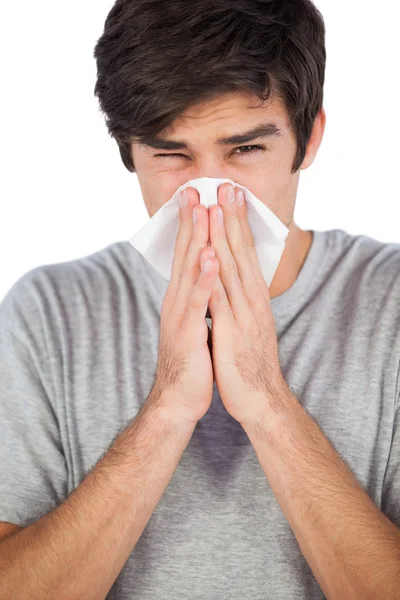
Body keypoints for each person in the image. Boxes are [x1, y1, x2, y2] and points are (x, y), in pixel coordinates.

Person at [1, 0, 399, 598]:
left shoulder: (389, 304)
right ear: (127, 152)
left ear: (309, 137)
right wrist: (166, 409)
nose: (209, 198)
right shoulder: (49, 313)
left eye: (245, 151)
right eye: (171, 155)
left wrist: (265, 397)